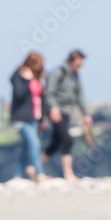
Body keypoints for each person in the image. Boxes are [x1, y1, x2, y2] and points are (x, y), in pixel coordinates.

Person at [43, 49, 92, 182]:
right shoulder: (58, 72)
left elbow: (79, 96)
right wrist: (53, 108)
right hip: (56, 112)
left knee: (55, 143)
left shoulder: (75, 75)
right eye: (78, 63)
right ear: (71, 61)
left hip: (67, 111)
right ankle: (68, 173)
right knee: (67, 139)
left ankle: (36, 167)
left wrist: (86, 114)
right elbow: (49, 92)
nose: (80, 66)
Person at [9, 52, 49, 183]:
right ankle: (40, 173)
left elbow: (41, 99)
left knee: (26, 149)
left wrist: (44, 118)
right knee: (35, 144)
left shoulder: (38, 78)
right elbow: (18, 94)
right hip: (22, 118)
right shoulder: (18, 75)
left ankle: (17, 176)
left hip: (35, 118)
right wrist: (27, 80)